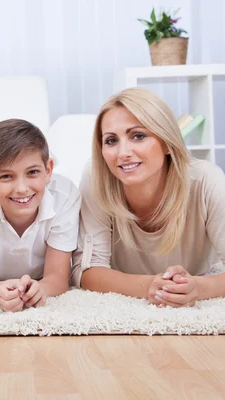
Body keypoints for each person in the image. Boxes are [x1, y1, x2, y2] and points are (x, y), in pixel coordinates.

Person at [72, 87, 225, 307]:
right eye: (111, 141)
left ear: (166, 142)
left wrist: (198, 288)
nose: (123, 152)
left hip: (198, 275)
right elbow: (88, 272)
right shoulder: (97, 177)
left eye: (138, 136)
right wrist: (149, 286)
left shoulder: (208, 181)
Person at [0, 119, 81, 312]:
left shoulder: (65, 196)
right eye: (6, 176)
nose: (21, 189)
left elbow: (58, 278)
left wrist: (40, 290)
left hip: (37, 276)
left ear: (48, 171)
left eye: (32, 172)